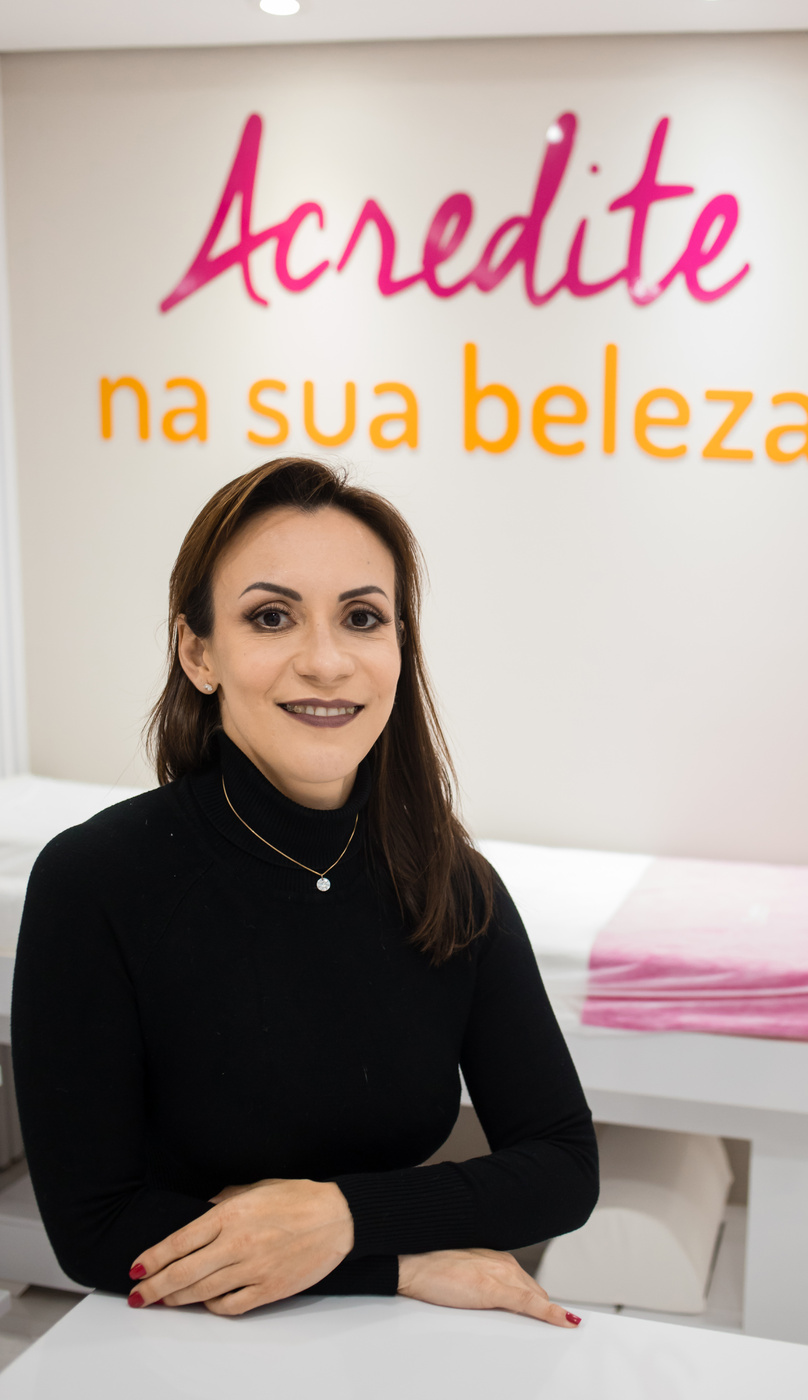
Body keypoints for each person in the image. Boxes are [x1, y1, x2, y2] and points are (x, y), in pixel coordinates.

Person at [11, 457, 598, 1327]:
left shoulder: (451, 880)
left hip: (391, 1352)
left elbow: (563, 1165)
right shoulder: (93, 881)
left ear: (399, 647)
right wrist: (397, 1264)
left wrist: (341, 1218)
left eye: (361, 618)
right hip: (182, 1348)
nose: (326, 662)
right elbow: (95, 1229)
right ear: (198, 653)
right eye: (271, 616)